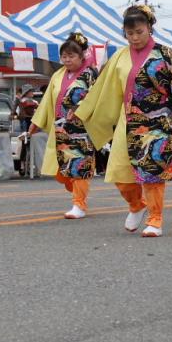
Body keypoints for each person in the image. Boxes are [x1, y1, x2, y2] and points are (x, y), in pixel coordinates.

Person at [76, 4, 172, 237]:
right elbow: (103, 88)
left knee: (153, 173)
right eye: (129, 33)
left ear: (149, 28)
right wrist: (84, 111)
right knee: (118, 173)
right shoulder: (119, 56)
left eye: (139, 31)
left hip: (158, 120)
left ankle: (155, 219)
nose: (135, 37)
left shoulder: (165, 54)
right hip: (127, 119)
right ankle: (137, 205)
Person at [29, 32, 99, 219]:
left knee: (79, 167)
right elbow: (46, 101)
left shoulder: (91, 74)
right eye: (64, 56)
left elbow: (98, 99)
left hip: (82, 129)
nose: (67, 60)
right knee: (62, 171)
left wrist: (80, 108)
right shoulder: (58, 74)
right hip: (61, 128)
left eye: (71, 56)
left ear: (81, 56)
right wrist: (35, 123)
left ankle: (79, 204)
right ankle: (78, 195)